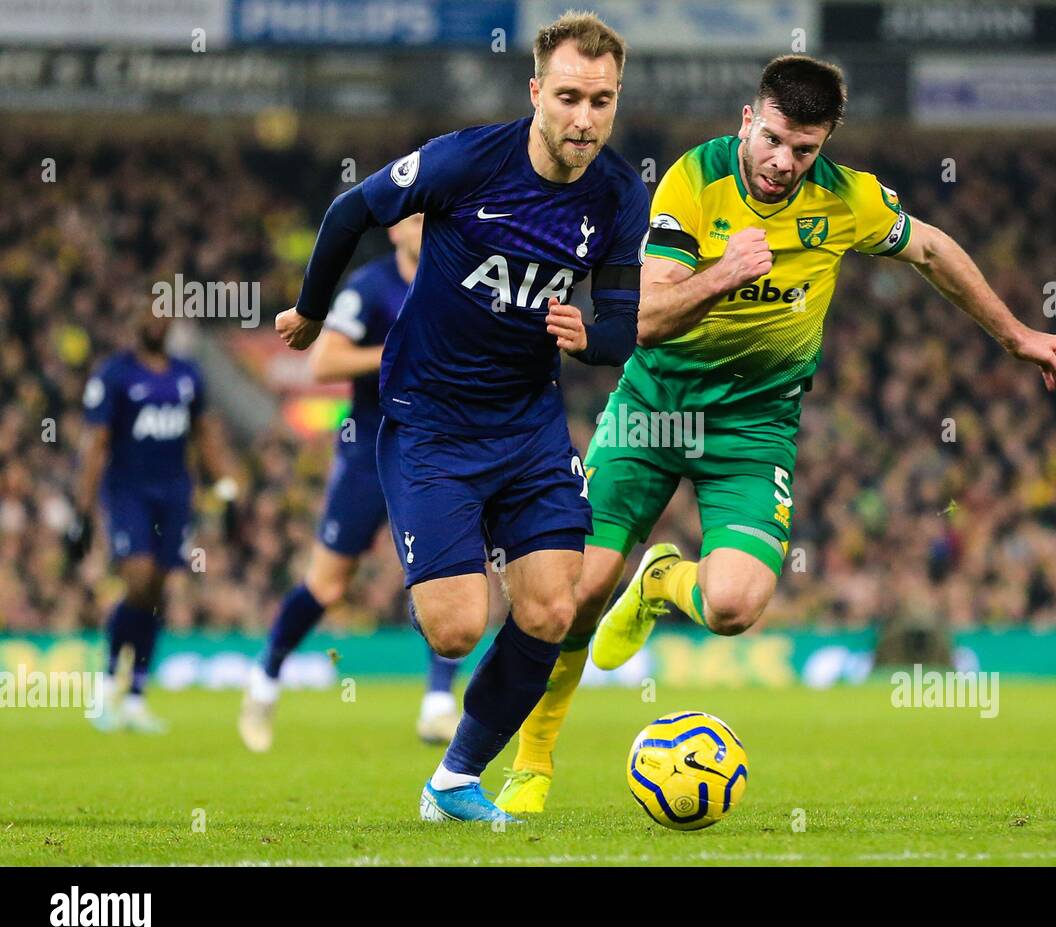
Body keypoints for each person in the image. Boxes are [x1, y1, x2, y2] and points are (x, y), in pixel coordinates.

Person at [497, 55, 1056, 814]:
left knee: (733, 608)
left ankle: (661, 582)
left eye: (804, 149)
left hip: (754, 425)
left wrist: (1013, 334)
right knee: (576, 595)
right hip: (654, 407)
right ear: (749, 120)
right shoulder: (693, 180)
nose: (784, 162)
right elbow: (643, 319)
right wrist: (725, 273)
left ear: (825, 144)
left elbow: (935, 251)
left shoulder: (849, 200)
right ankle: (534, 763)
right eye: (774, 139)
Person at [274, 12, 647, 823]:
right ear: (537, 92)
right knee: (455, 629)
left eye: (603, 101)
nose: (585, 118)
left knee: (554, 606)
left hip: (528, 424)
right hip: (430, 421)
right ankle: (444, 551)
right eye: (571, 97)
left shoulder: (620, 193)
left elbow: (623, 324)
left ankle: (452, 781)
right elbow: (351, 211)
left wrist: (592, 339)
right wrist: (308, 312)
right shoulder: (466, 159)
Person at [239, 214, 463, 753]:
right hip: (368, 449)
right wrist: (395, 356)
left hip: (434, 449)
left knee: (448, 571)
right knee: (328, 585)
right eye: (416, 217)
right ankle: (265, 678)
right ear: (394, 230)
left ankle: (437, 703)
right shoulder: (369, 288)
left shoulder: (459, 277)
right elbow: (324, 360)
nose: (427, 224)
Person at [69, 304, 240, 732]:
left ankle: (136, 695)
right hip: (129, 494)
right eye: (148, 314)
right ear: (135, 323)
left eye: (163, 315)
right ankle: (108, 681)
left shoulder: (187, 375)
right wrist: (82, 511)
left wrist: (226, 488)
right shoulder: (115, 375)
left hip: (175, 496)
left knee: (158, 592)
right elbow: (96, 444)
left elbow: (205, 434)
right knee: (139, 580)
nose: (156, 322)